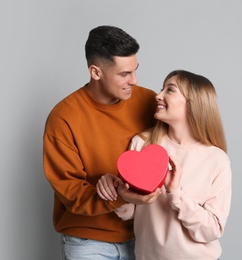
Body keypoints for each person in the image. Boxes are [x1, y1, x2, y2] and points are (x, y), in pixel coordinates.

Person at [43, 25, 160, 260]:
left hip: (144, 237)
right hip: (87, 241)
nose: (134, 80)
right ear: (95, 72)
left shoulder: (149, 101)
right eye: (124, 74)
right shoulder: (64, 117)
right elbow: (71, 190)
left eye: (135, 70)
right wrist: (120, 195)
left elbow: (173, 152)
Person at [96, 70, 232, 260]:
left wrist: (175, 194)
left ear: (193, 103)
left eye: (170, 90)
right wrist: (115, 192)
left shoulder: (216, 159)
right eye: (162, 89)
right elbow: (131, 213)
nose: (158, 96)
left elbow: (212, 230)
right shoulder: (141, 144)